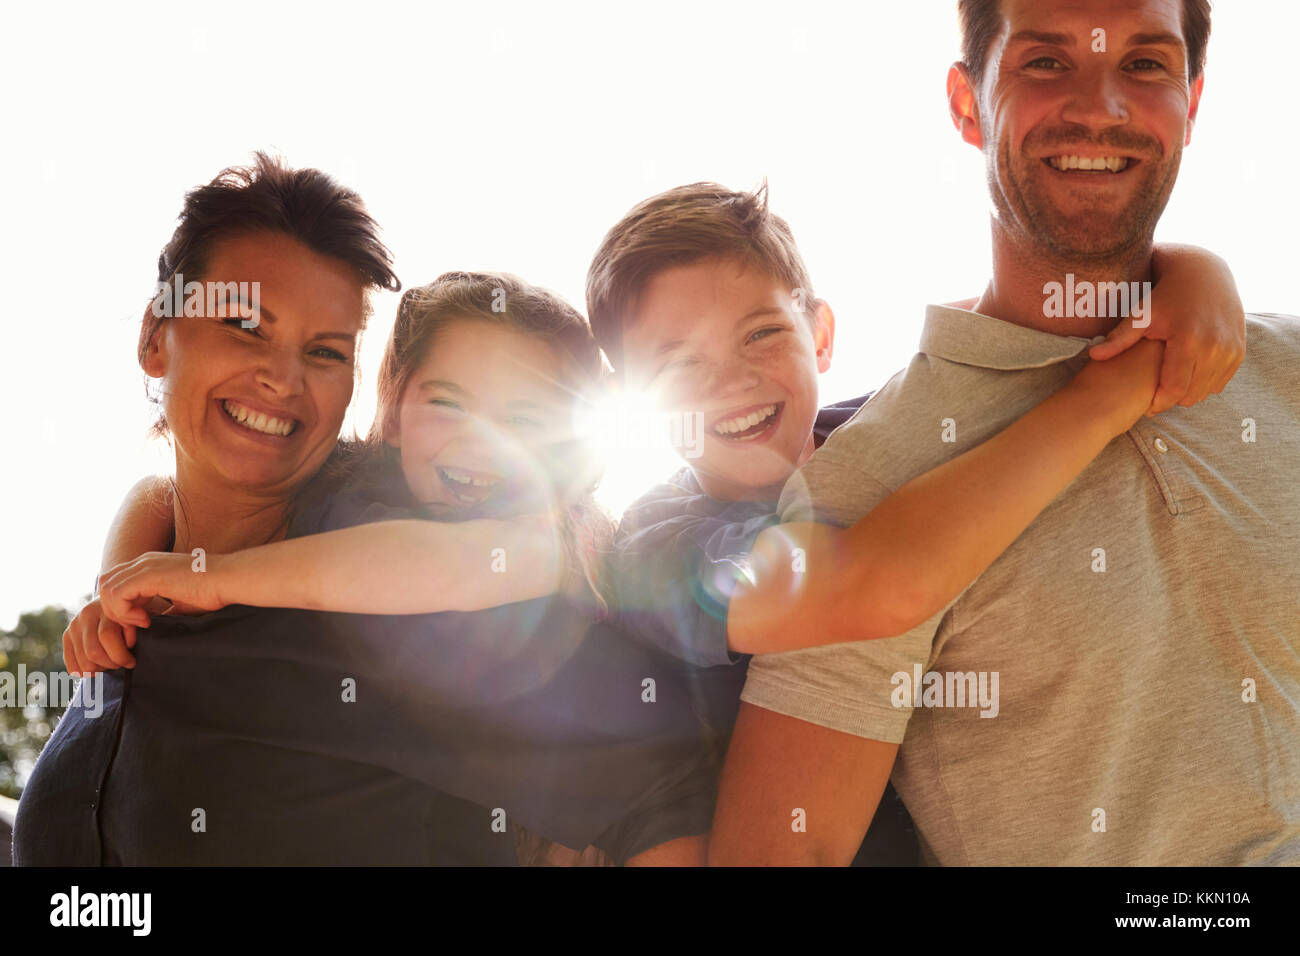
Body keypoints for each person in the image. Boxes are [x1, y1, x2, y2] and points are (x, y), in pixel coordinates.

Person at [710, 0, 1300, 865]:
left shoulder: (1284, 369)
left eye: (1145, 65)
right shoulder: (870, 483)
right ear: (967, 105)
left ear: (1192, 104)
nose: (1101, 107)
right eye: (1045, 63)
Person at [13, 157, 713, 866]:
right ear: (155, 337)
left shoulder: (409, 610)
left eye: (324, 351)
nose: (283, 379)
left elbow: (660, 793)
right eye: (246, 326)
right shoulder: (134, 607)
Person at [587, 177, 1247, 862]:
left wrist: (1197, 271)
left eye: (761, 334)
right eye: (678, 364)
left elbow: (1011, 331)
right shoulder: (657, 549)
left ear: (819, 333)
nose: (731, 383)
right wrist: (1115, 394)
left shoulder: (889, 428)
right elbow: (870, 586)